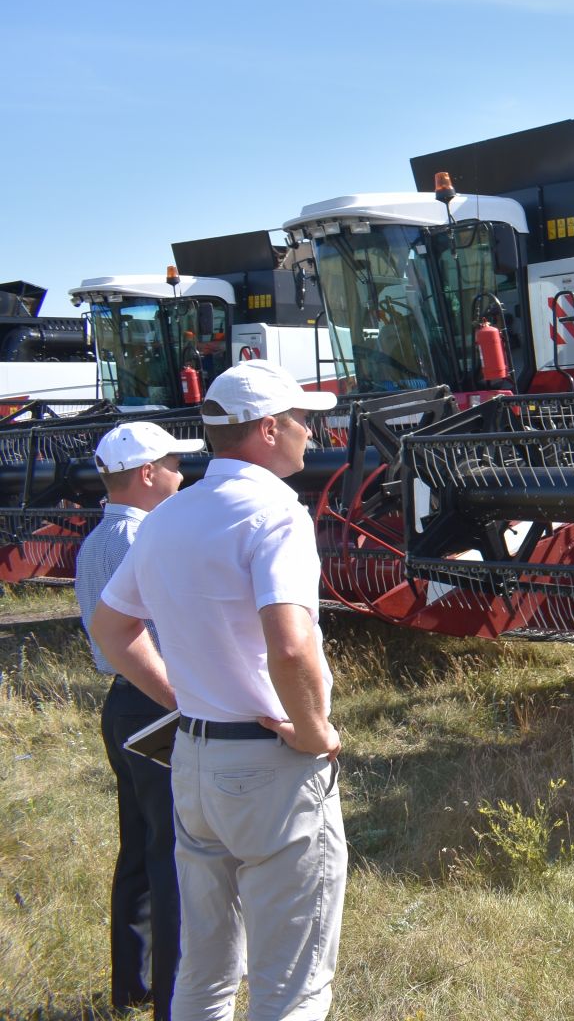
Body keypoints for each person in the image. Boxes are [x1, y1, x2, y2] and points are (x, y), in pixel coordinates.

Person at [91, 360, 344, 1021]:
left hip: (195, 764)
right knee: (291, 984)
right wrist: (315, 732)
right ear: (268, 429)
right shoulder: (276, 516)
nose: (311, 435)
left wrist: (183, 698)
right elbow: (289, 645)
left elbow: (112, 628)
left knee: (204, 971)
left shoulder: (170, 517)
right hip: (269, 765)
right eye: (302, 421)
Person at [75, 421, 205, 1020]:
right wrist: (179, 697)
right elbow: (142, 632)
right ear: (148, 473)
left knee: (139, 848)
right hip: (155, 700)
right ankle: (177, 997)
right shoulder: (144, 541)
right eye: (175, 465)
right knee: (173, 852)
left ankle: (135, 982)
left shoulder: (99, 537)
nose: (183, 476)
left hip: (121, 702)